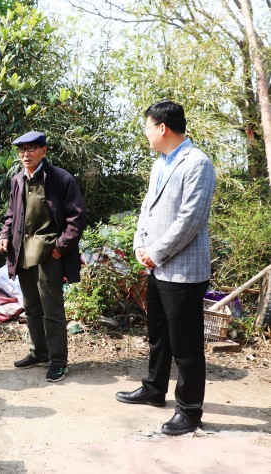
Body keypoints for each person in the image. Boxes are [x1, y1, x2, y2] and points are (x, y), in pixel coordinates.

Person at [115, 100, 216, 436]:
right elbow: (147, 209)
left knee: (186, 345)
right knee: (159, 335)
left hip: (183, 270)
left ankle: (189, 410)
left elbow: (190, 220)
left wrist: (155, 253)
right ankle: (154, 389)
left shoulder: (197, 163)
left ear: (162, 128)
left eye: (147, 127)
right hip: (157, 267)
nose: (145, 133)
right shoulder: (160, 164)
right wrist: (139, 244)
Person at [0, 131, 86, 383]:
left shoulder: (60, 178)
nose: (25, 154)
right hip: (23, 253)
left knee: (52, 309)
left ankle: (58, 361)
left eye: (31, 149)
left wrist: (60, 247)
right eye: (21, 150)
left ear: (44, 151)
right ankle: (40, 353)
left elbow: (77, 218)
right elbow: (11, 215)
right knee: (32, 307)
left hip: (49, 254)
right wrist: (4, 235)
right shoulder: (18, 180)